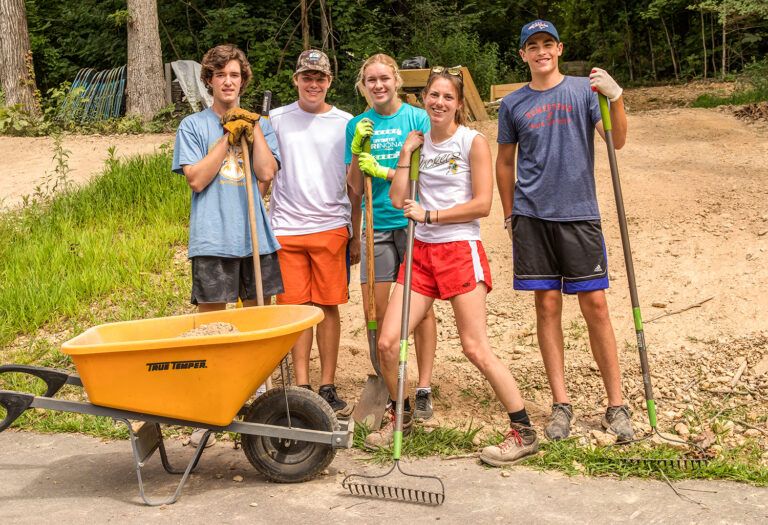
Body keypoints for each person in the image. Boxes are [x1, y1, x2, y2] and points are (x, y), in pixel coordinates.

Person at [365, 66, 539, 466]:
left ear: (459, 104)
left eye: (448, 97)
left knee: (475, 347)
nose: (439, 102)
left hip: (460, 249)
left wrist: (431, 216)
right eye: (433, 95)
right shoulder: (419, 143)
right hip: (421, 256)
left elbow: (483, 204)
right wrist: (406, 153)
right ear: (423, 98)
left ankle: (523, 430)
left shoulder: (472, 142)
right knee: (388, 344)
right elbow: (396, 199)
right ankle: (402, 416)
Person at [495, 20, 633, 441]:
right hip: (532, 216)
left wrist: (617, 97)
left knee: (596, 306)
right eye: (532, 46)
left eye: (547, 44)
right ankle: (562, 404)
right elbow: (505, 162)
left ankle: (616, 405)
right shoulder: (512, 103)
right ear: (523, 54)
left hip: (579, 215)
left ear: (558, 49)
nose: (540, 52)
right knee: (548, 306)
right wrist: (509, 216)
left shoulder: (582, 90)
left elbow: (618, 141)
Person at [172, 45, 283, 444]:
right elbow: (197, 179)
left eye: (234, 75)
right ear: (209, 81)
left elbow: (267, 173)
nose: (228, 81)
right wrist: (226, 136)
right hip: (212, 239)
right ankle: (210, 415)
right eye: (220, 75)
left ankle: (258, 409)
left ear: (243, 80)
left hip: (254, 240)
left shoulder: (259, 124)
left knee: (256, 330)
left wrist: (252, 131)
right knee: (212, 332)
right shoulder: (193, 126)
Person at [346, 54, 438, 421]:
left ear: (396, 80)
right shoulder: (358, 123)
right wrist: (357, 151)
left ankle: (424, 386)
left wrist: (384, 169)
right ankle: (390, 385)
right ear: (363, 85)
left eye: (385, 78)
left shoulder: (417, 118)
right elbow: (355, 186)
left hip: (412, 221)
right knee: (380, 310)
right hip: (376, 226)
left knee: (420, 310)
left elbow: (430, 173)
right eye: (371, 80)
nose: (379, 85)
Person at [266, 49, 358, 414]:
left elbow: (354, 183)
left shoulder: (346, 122)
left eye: (320, 78)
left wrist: (355, 229)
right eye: (307, 77)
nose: (313, 84)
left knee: (328, 306)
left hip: (331, 227)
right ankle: (301, 385)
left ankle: (327, 386)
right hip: (285, 228)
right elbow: (263, 171)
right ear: (296, 80)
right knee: (295, 310)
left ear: (330, 81)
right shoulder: (274, 119)